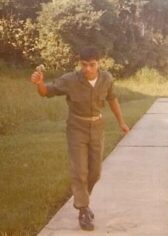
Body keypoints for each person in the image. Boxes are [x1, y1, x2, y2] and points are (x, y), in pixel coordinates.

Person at [31, 46, 129, 231]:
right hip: (76, 127)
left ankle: (84, 202)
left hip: (97, 127)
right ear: (79, 63)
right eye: (84, 65)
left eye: (92, 65)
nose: (87, 69)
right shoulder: (69, 80)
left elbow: (112, 99)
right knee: (79, 171)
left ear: (99, 63)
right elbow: (46, 92)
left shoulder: (107, 78)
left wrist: (121, 122)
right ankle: (83, 210)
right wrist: (39, 83)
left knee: (95, 172)